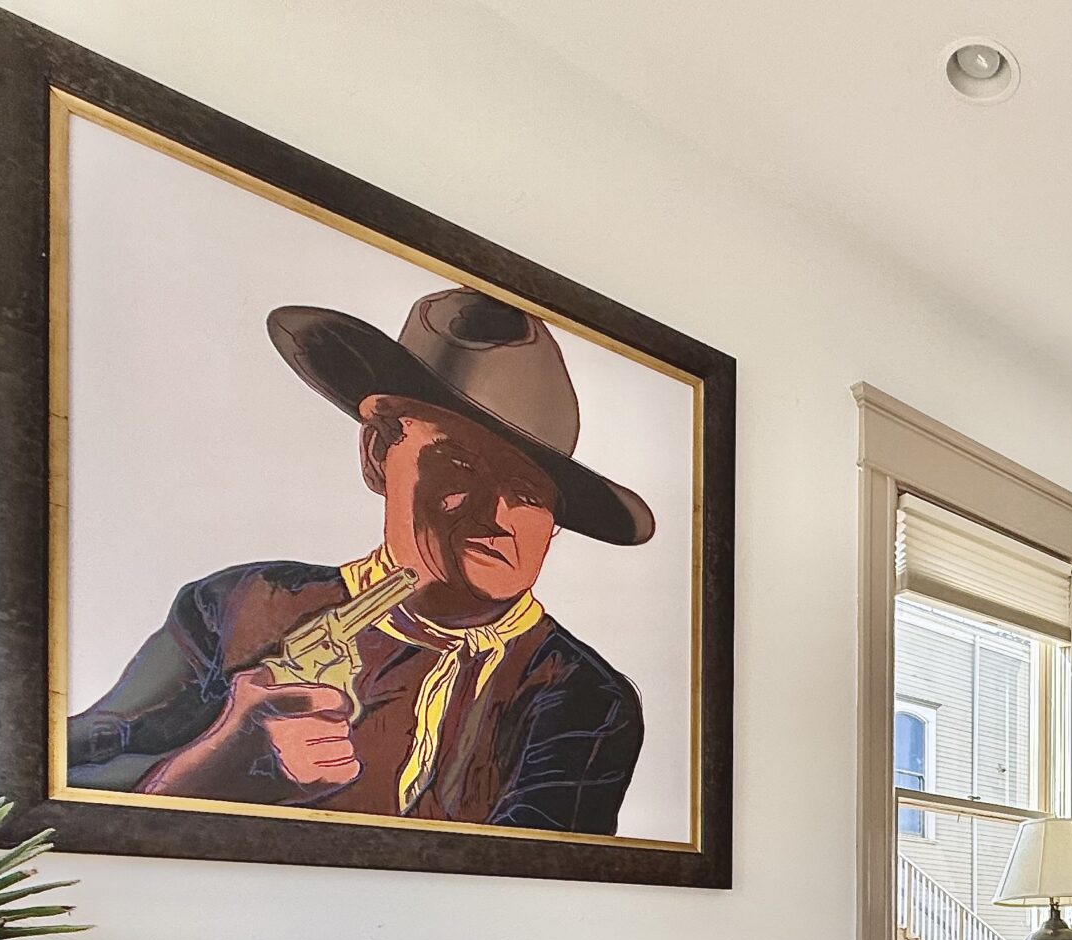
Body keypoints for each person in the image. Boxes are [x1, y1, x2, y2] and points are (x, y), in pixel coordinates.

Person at [65, 287, 652, 835]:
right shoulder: (236, 608)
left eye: (528, 492)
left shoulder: (587, 699)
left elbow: (531, 881)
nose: (497, 515)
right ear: (376, 453)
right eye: (461, 466)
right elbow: (59, 784)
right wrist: (214, 767)